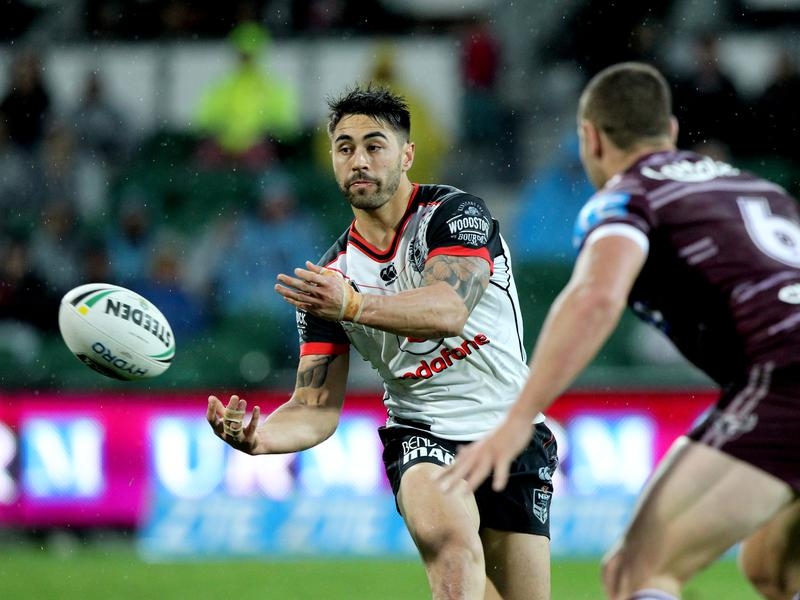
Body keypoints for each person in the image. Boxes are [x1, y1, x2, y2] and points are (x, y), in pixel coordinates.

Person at [438, 62, 800, 600]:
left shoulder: (627, 196)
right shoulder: (758, 189)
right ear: (669, 131)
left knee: (637, 569)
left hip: (786, 377)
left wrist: (518, 419)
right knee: (774, 567)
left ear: (591, 138)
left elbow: (595, 297)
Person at [206, 86, 559, 600]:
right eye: (344, 148)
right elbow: (314, 408)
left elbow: (448, 310)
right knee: (453, 554)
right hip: (423, 434)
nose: (359, 160)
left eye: (374, 146)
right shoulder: (331, 278)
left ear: (407, 154)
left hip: (512, 433)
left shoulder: (455, 215)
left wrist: (352, 306)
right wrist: (260, 439)